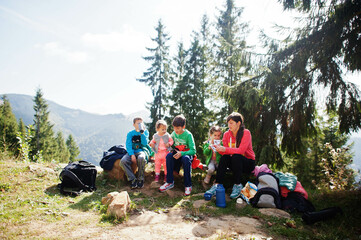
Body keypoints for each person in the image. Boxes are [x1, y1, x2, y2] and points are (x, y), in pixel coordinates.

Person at [204, 112, 256, 199]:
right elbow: (225, 152)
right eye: (228, 123)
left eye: (231, 123)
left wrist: (225, 149)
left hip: (247, 163)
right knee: (225, 157)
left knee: (236, 156)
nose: (229, 125)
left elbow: (241, 150)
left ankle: (237, 185)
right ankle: (217, 184)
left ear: (238, 123)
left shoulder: (246, 133)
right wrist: (218, 149)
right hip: (235, 163)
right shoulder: (226, 134)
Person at [159, 115, 196, 196]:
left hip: (186, 154)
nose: (176, 130)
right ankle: (169, 182)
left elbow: (193, 151)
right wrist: (168, 145)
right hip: (177, 153)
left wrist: (182, 153)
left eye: (178, 128)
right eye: (174, 128)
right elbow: (171, 144)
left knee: (186, 159)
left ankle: (188, 185)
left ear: (183, 127)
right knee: (169, 156)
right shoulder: (173, 134)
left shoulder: (188, 135)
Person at [120, 117, 149, 189]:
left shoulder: (145, 132)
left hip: (141, 150)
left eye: (141, 123)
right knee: (123, 161)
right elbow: (128, 145)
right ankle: (132, 179)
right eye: (138, 123)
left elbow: (145, 144)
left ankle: (140, 179)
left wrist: (142, 133)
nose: (140, 125)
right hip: (132, 151)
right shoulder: (130, 133)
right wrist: (132, 155)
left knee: (141, 158)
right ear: (134, 124)